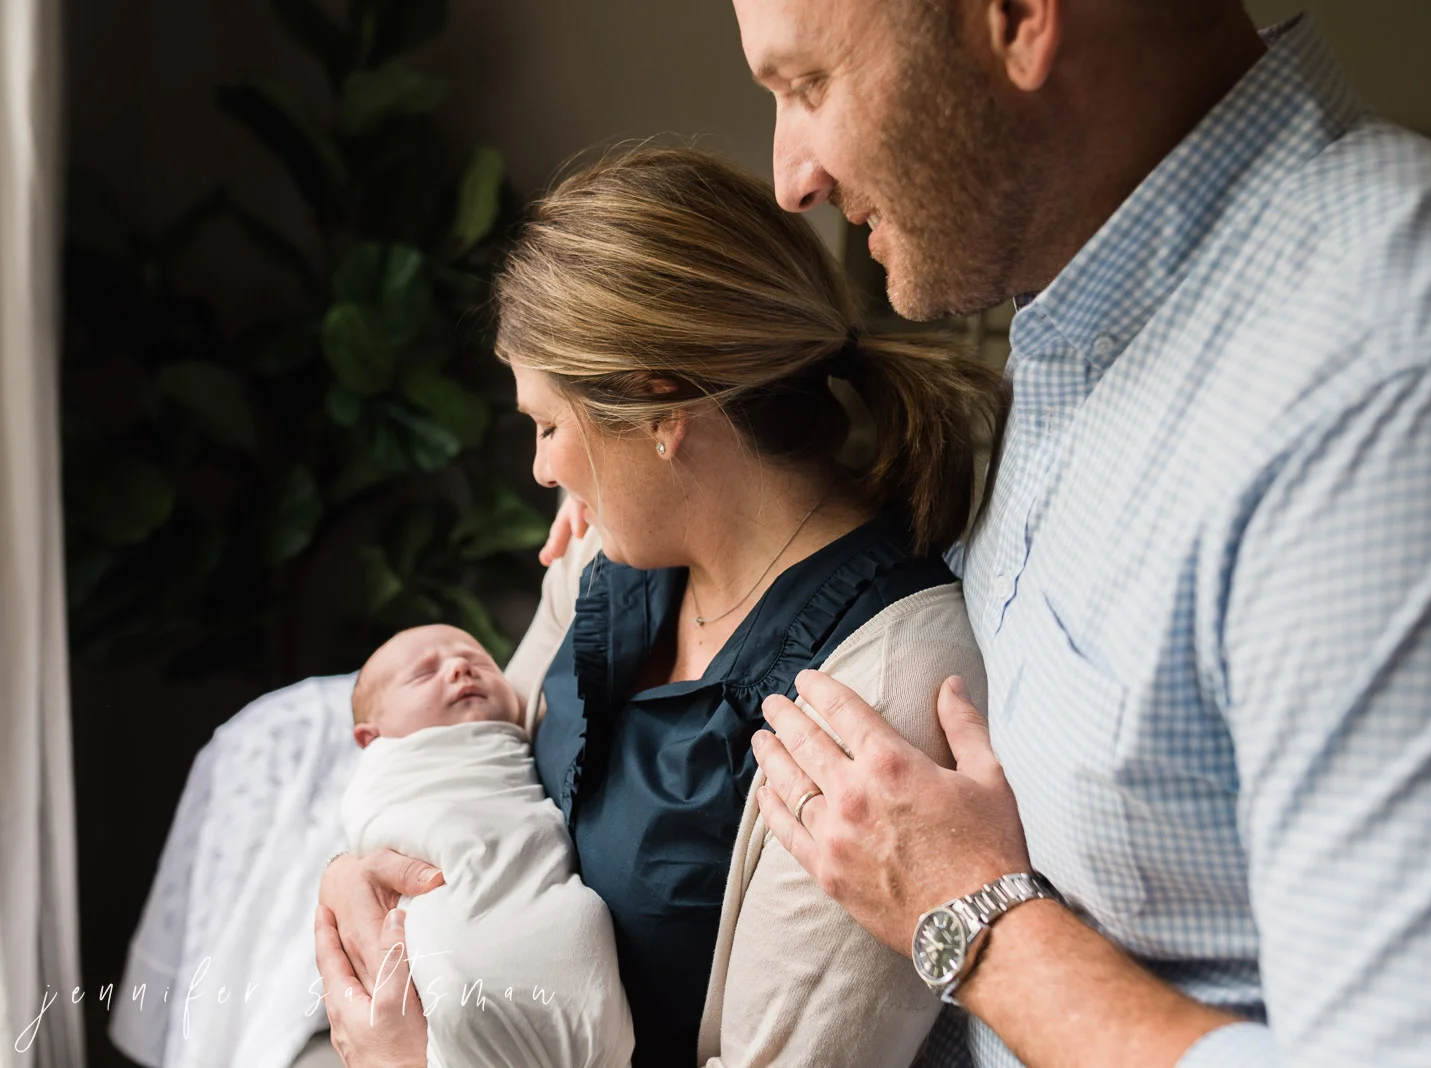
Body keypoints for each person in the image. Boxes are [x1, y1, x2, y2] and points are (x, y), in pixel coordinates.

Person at [711, 0, 1431, 1065]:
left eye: (808, 85)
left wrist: (969, 916)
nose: (791, 178)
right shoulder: (1077, 315)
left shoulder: (1417, 377)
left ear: (1019, 20)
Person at [311, 146, 1003, 1068]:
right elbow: (471, 758)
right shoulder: (608, 552)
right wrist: (351, 872)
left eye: (550, 427)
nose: (542, 469)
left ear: (661, 409)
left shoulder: (876, 690)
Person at [335, 624, 633, 1067]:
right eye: (423, 674)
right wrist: (341, 870)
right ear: (370, 738)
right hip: (462, 970)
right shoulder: (391, 770)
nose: (459, 668)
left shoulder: (517, 737)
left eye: (478, 662)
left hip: (575, 968)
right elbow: (375, 838)